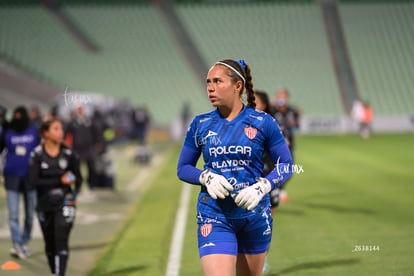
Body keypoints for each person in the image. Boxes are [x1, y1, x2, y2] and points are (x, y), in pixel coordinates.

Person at [177, 59, 293, 276]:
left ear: (237, 85)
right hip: (214, 215)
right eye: (208, 82)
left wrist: (263, 187)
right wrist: (205, 178)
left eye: (217, 81)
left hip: (255, 215)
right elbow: (183, 167)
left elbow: (286, 165)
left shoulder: (264, 122)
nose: (210, 87)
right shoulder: (200, 124)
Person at [29, 118, 82, 276]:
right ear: (45, 133)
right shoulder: (37, 155)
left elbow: (78, 178)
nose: (60, 132)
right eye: (56, 129)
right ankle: (55, 271)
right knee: (50, 242)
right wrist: (59, 180)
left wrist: (73, 192)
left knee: (61, 236)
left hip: (65, 201)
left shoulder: (69, 154)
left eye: (61, 129)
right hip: (44, 203)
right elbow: (33, 181)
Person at [0, 106, 40, 259]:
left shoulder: (33, 130)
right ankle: (17, 244)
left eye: (20, 115)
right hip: (12, 176)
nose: (18, 118)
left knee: (30, 213)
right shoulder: (7, 131)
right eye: (15, 115)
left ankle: (24, 242)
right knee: (13, 213)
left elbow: (40, 150)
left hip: (30, 176)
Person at [270, 88, 300, 203]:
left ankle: (280, 188)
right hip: (273, 145)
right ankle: (274, 190)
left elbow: (296, 126)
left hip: (289, 145)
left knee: (289, 169)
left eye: (283, 96)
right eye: (279, 96)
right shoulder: (272, 110)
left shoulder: (291, 111)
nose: (281, 99)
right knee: (272, 167)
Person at [65, 105, 97, 190]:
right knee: (76, 168)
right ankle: (78, 186)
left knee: (91, 166)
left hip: (88, 148)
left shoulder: (88, 120)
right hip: (77, 148)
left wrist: (96, 143)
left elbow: (95, 132)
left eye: (81, 109)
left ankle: (91, 185)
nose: (80, 111)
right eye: (78, 109)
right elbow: (66, 133)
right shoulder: (72, 121)